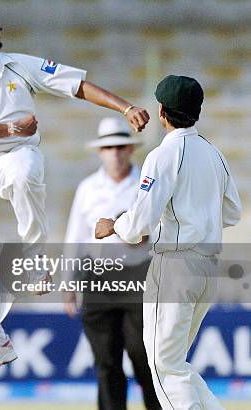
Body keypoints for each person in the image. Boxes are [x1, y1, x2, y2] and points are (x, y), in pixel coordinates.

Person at [0, 5, 150, 374]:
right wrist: (10, 128)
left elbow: (76, 85)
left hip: (17, 154)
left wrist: (124, 107)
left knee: (24, 170)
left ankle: (34, 264)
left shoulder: (21, 65)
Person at [95, 75, 242, 409]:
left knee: (165, 368)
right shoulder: (213, 153)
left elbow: (139, 225)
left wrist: (112, 225)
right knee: (175, 365)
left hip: (175, 267)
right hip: (207, 267)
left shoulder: (163, 155)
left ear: (161, 111)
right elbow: (232, 213)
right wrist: (199, 216)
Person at [64, 117, 160, 410]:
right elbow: (76, 237)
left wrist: (141, 237)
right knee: (106, 361)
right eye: (108, 147)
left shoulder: (147, 183)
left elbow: (161, 231)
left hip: (139, 275)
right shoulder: (87, 188)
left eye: (120, 146)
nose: (115, 152)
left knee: (143, 356)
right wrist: (68, 285)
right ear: (100, 152)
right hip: (97, 277)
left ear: (130, 149)